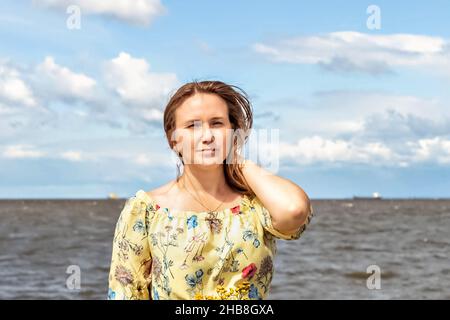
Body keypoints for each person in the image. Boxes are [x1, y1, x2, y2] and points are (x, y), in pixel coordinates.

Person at [107, 80, 314, 300]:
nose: (207, 137)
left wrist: (235, 158)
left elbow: (294, 210)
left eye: (217, 124)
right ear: (173, 140)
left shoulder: (255, 206)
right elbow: (125, 293)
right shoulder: (146, 210)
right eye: (192, 126)